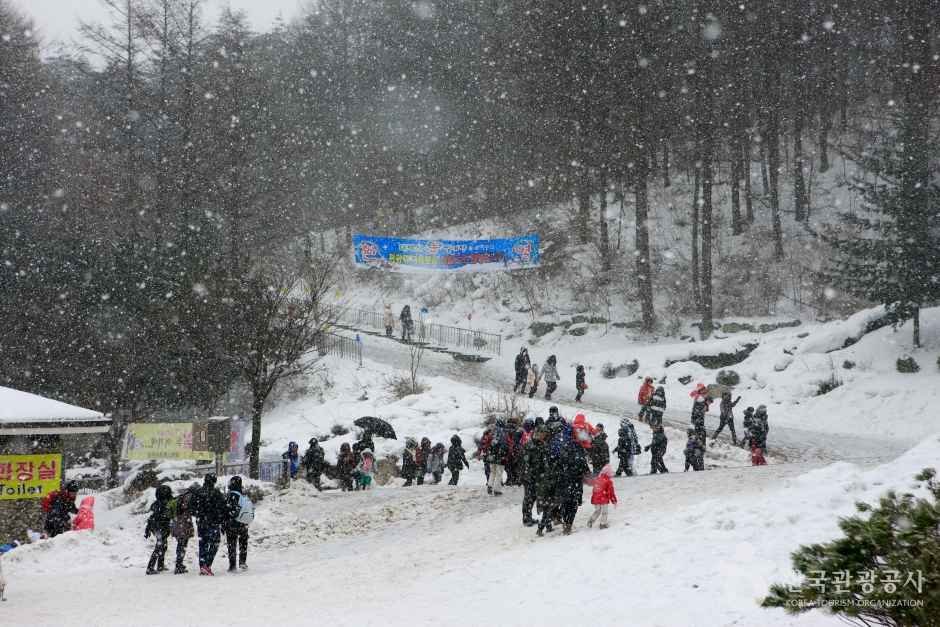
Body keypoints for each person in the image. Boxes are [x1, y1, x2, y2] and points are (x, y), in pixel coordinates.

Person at [194, 473, 227, 576]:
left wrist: (199, 515)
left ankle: (202, 565)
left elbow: (192, 507)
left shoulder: (198, 492)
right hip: (213, 523)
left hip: (201, 523)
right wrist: (222, 521)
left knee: (202, 544)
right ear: (214, 481)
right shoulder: (216, 493)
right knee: (215, 543)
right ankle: (207, 565)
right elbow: (223, 509)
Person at [522, 425, 549, 527]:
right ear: (539, 433)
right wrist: (527, 475)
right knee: (529, 497)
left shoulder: (542, 444)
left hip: (538, 476)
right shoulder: (530, 445)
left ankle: (530, 516)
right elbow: (525, 463)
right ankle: (526, 518)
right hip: (530, 476)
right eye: (543, 433)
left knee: (534, 497)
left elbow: (544, 461)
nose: (545, 435)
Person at [145, 484, 174, 575]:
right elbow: (161, 515)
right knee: (159, 546)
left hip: (157, 527)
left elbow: (152, 517)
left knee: (163, 546)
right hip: (160, 528)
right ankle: (150, 568)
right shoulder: (163, 504)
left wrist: (148, 529)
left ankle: (160, 565)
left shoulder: (158, 503)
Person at [172, 483, 199, 574]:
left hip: (177, 522)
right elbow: (189, 509)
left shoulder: (182, 495)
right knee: (182, 544)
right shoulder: (189, 497)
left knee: (181, 544)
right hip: (183, 523)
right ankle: (178, 565)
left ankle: (179, 564)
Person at [224, 476, 249, 572]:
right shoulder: (242, 495)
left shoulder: (231, 495)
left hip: (232, 524)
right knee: (243, 543)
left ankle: (232, 565)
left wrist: (224, 522)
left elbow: (227, 510)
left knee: (231, 544)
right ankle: (242, 562)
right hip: (243, 523)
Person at [483, 419, 512, 496]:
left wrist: (488, 453)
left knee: (492, 472)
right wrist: (507, 455)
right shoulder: (505, 434)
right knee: (499, 473)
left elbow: (487, 443)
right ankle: (496, 490)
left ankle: (490, 485)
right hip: (501, 457)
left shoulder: (492, 433)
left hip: (492, 456)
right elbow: (509, 445)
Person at [587, 463, 617, 529]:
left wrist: (594, 498)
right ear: (608, 474)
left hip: (596, 499)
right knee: (604, 512)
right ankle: (602, 524)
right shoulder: (608, 481)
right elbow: (611, 492)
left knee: (597, 511)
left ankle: (591, 521)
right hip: (604, 499)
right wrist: (614, 501)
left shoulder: (597, 479)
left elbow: (594, 489)